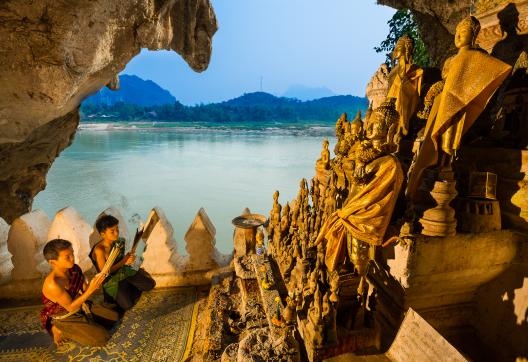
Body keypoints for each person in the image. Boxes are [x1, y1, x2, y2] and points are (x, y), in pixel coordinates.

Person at [40, 239, 118, 347]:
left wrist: (95, 282)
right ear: (53, 262)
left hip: (81, 306)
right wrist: (91, 289)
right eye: (67, 256)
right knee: (102, 338)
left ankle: (86, 324)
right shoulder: (52, 284)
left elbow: (84, 290)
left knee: (113, 317)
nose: (73, 258)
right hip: (66, 316)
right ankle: (59, 329)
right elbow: (71, 308)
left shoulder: (75, 269)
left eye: (72, 253)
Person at [91, 215, 155, 311]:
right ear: (102, 234)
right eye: (112, 231)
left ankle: (128, 287)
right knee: (128, 305)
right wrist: (124, 261)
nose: (116, 233)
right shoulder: (100, 250)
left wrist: (130, 259)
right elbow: (105, 272)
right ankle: (118, 294)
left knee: (150, 284)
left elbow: (124, 258)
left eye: (117, 229)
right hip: (112, 281)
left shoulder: (119, 242)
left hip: (124, 272)